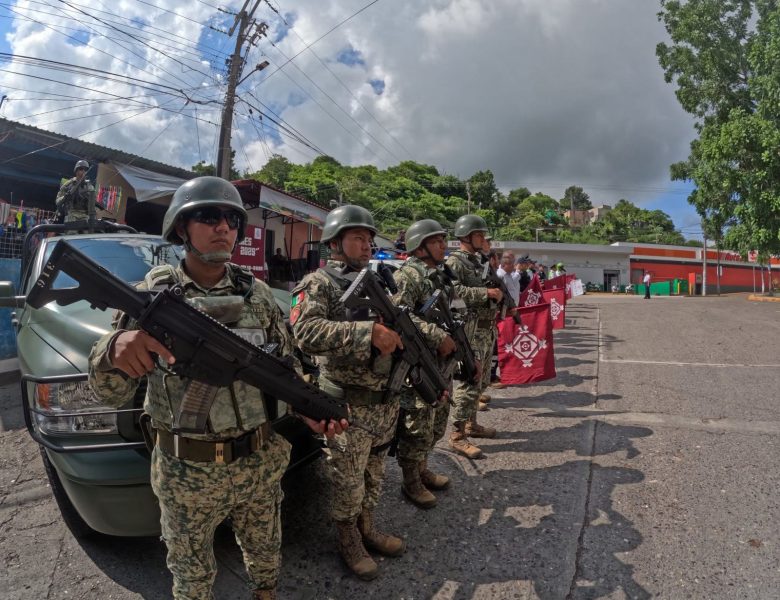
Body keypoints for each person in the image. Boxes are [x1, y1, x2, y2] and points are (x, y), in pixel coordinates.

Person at [88, 176, 345, 600]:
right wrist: (114, 349)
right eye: (207, 216)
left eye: (230, 218)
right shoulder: (153, 297)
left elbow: (287, 368)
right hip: (186, 474)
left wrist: (308, 406)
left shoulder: (258, 296)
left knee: (266, 558)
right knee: (191, 580)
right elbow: (110, 393)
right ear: (180, 229)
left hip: (259, 463)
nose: (222, 225)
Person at [291, 205, 409, 580]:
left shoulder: (376, 283)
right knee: (348, 479)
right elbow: (304, 334)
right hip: (347, 404)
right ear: (336, 242)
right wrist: (366, 333)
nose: (366, 245)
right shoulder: (318, 284)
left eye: (369, 239)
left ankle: (367, 527)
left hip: (382, 403)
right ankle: (348, 539)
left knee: (375, 472)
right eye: (358, 237)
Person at [391, 219, 457, 509]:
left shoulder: (436, 275)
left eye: (443, 239)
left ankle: (422, 467)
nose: (443, 245)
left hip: (439, 360)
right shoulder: (408, 276)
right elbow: (398, 314)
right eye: (437, 240)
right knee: (417, 425)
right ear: (420, 248)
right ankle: (411, 480)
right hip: (417, 363)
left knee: (437, 421)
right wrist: (436, 335)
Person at [445, 214, 502, 459]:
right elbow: (452, 291)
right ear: (467, 236)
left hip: (486, 329)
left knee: (482, 382)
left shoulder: (477, 261)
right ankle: (457, 435)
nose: (483, 238)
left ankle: (472, 424)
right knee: (470, 381)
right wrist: (484, 293)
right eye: (479, 234)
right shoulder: (456, 262)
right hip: (471, 329)